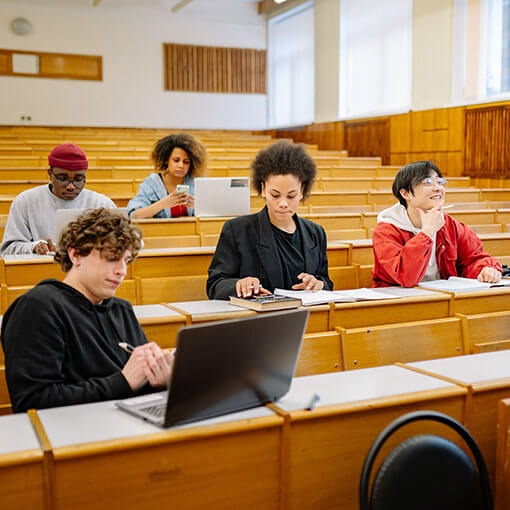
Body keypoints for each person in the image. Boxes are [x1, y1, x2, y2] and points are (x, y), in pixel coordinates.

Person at [1, 208, 173, 413]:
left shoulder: (122, 309)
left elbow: (138, 381)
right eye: (111, 258)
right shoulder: (37, 308)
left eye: (126, 260)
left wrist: (160, 380)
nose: (122, 270)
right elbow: (33, 401)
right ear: (75, 255)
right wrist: (123, 382)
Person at [207, 140, 333, 300]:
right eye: (275, 195)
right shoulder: (237, 230)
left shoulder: (316, 232)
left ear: (302, 191)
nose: (283, 203)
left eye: (291, 195)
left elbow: (326, 281)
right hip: (260, 320)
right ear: (262, 189)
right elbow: (215, 285)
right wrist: (239, 284)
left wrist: (319, 284)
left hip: (308, 318)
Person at [372, 160, 502, 287]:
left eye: (440, 182)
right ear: (405, 193)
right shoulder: (386, 231)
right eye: (428, 183)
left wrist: (485, 269)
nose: (438, 188)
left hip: (441, 298)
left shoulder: (451, 226)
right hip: (398, 301)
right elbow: (405, 277)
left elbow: (474, 259)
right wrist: (426, 232)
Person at [1, 143, 116, 256]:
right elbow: (8, 249)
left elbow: (122, 243)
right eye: (63, 178)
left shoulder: (102, 204)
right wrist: (34, 247)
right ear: (50, 174)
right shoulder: (25, 202)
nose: (71, 186)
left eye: (78, 179)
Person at [128, 133, 207, 219]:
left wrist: (198, 207)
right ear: (166, 160)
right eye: (176, 160)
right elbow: (134, 215)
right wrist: (162, 204)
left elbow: (214, 211)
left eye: (186, 162)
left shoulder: (197, 181)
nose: (181, 165)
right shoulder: (152, 183)